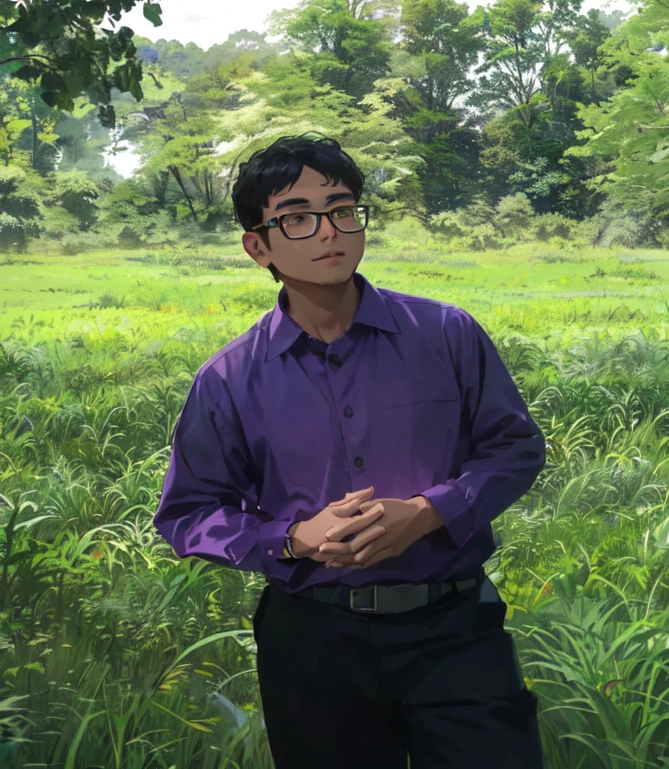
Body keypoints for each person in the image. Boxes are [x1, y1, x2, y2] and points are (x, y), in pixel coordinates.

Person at [153, 133, 547, 769]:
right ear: (259, 246)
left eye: (342, 209)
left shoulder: (446, 335)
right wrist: (293, 539)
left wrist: (429, 511)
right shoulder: (227, 380)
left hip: (455, 629)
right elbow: (188, 513)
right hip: (311, 638)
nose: (329, 231)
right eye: (298, 218)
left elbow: (515, 447)